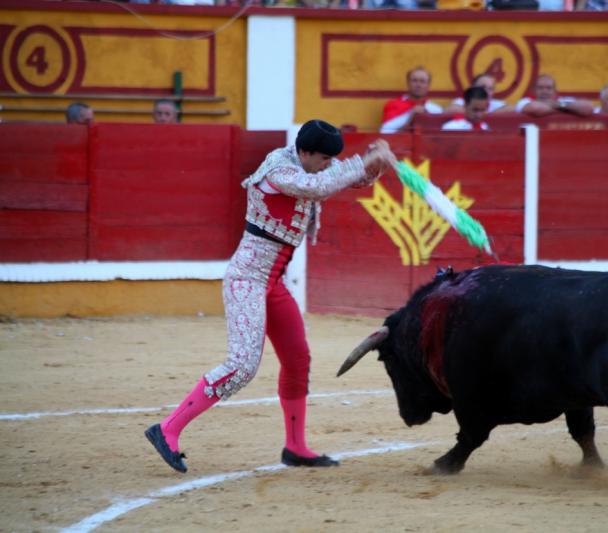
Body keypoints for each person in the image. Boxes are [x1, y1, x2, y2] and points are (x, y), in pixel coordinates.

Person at [145, 120, 397, 473]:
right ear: (305, 152)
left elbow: (347, 176)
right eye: (324, 158)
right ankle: (167, 429)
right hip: (246, 280)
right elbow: (319, 186)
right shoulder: (279, 169)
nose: (328, 164)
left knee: (297, 359)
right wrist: (363, 163)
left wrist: (375, 162)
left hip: (272, 282)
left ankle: (295, 447)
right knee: (242, 365)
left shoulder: (312, 166)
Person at [380, 66, 442, 133]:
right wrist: (411, 118)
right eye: (414, 80)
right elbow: (386, 135)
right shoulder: (393, 105)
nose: (418, 85)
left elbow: (439, 138)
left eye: (422, 81)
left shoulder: (436, 110)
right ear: (408, 83)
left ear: (428, 85)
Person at [516, 74, 594, 117]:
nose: (544, 91)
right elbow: (536, 109)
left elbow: (588, 107)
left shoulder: (563, 102)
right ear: (534, 91)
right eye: (540, 88)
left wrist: (557, 105)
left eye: (549, 88)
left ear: (555, 91)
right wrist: (565, 109)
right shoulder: (525, 101)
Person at [445, 73, 512, 114]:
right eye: (483, 87)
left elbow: (513, 108)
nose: (486, 91)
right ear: (473, 88)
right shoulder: (462, 101)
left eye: (490, 89)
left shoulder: (496, 104)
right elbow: (451, 109)